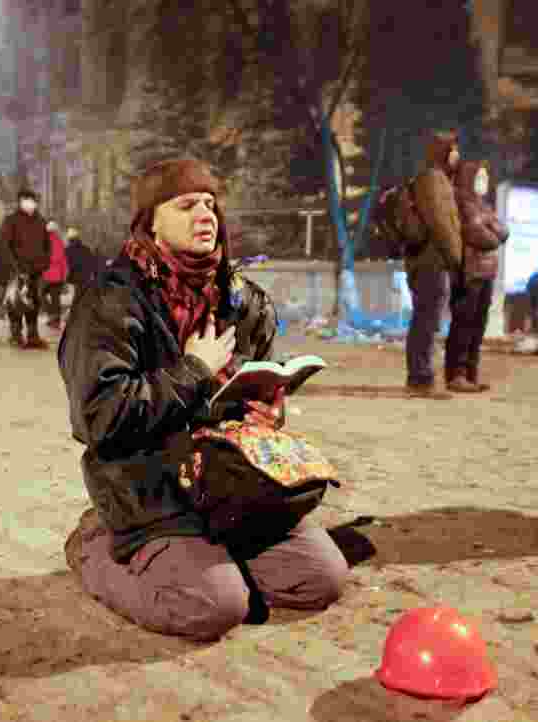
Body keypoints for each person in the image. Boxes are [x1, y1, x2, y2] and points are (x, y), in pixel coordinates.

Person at [59, 158, 348, 642]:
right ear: (150, 220)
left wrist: (269, 413)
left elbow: (256, 381)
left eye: (211, 204)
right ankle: (94, 547)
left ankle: (211, 560)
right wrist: (192, 371)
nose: (205, 214)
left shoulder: (243, 301)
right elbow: (99, 419)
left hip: (232, 484)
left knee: (321, 578)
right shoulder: (110, 303)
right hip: (148, 488)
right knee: (214, 608)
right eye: (186, 204)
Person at [405, 130, 464, 396]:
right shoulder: (432, 180)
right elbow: (441, 224)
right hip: (430, 262)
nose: (458, 156)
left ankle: (422, 377)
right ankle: (421, 379)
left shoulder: (439, 180)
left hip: (432, 260)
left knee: (428, 321)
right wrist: (456, 256)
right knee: (426, 322)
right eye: (455, 150)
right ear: (446, 152)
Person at [445, 161, 509, 392]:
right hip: (469, 271)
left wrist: (491, 230)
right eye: (479, 177)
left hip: (487, 271)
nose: (484, 181)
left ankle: (471, 373)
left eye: (485, 176)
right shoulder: (461, 202)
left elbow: (504, 230)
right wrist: (492, 234)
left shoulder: (484, 204)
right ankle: (456, 374)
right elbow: (477, 234)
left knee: (478, 325)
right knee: (463, 323)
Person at [0, 188, 51, 349]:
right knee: (15, 303)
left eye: (32, 200)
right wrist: (13, 265)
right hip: (17, 269)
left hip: (36, 270)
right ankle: (16, 334)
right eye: (26, 200)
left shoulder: (41, 221)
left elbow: (47, 245)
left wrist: (44, 262)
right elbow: (4, 245)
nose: (30, 203)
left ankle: (33, 335)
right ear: (20, 202)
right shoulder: (11, 220)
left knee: (34, 302)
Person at [42, 220, 69, 331]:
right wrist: (64, 276)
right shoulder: (60, 242)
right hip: (58, 276)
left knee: (39, 295)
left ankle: (50, 315)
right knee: (55, 298)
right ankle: (56, 321)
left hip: (46, 275)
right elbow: (64, 261)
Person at [64, 226, 99, 302]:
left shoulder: (67, 251)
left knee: (74, 302)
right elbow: (93, 264)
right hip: (87, 280)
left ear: (69, 239)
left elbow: (68, 267)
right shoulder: (86, 249)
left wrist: (66, 280)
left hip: (74, 281)